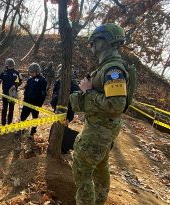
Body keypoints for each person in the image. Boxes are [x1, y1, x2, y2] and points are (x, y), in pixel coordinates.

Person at [69, 23, 135, 205]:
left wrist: (88, 92)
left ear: (106, 41)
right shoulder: (107, 67)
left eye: (94, 42)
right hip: (101, 127)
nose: (91, 46)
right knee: (99, 166)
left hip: (100, 130)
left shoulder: (113, 70)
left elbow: (116, 104)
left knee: (82, 169)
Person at [19, 63, 47, 152]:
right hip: (27, 102)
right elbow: (27, 89)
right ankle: (21, 129)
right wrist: (24, 98)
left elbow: (43, 94)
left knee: (35, 118)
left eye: (32, 72)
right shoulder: (30, 79)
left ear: (37, 72)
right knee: (23, 116)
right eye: (30, 72)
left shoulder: (43, 80)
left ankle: (32, 132)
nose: (30, 73)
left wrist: (39, 104)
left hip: (36, 103)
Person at [0, 58, 23, 125]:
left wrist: (15, 86)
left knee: (9, 109)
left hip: (12, 94)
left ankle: (8, 123)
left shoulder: (17, 73)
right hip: (5, 93)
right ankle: (4, 123)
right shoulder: (3, 73)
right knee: (5, 109)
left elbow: (20, 81)